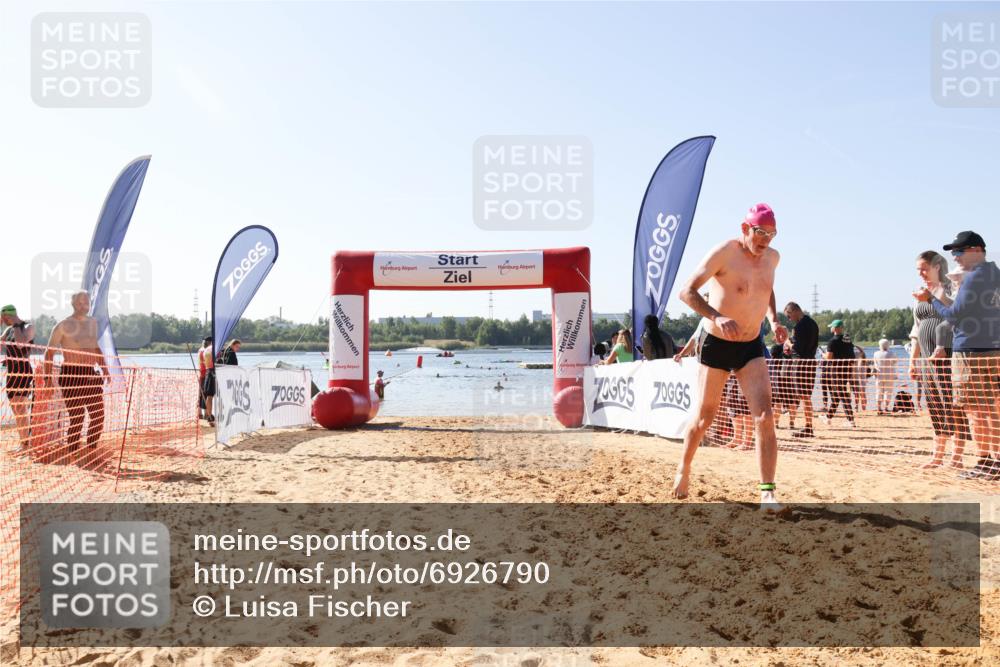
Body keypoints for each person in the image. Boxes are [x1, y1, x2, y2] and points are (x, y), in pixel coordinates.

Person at [671, 203, 788, 512]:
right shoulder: (725, 252)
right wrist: (717, 316)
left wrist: (774, 320)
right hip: (717, 343)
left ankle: (767, 494)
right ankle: (684, 468)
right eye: (760, 233)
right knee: (704, 418)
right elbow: (686, 291)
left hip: (751, 345)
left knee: (765, 416)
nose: (765, 240)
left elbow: (768, 287)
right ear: (745, 229)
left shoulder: (772, 258)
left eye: (772, 234)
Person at [914, 231, 999, 480]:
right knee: (992, 409)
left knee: (975, 411)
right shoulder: (996, 274)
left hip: (971, 350)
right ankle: (996, 462)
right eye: (953, 253)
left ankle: (984, 462)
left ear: (976, 250)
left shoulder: (974, 277)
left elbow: (954, 315)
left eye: (959, 252)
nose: (956, 257)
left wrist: (931, 299)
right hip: (993, 349)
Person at [909, 250, 970, 468]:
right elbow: (916, 331)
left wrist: (932, 297)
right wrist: (912, 361)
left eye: (924, 268)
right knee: (934, 404)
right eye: (918, 270)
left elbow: (956, 313)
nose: (921, 273)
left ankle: (957, 457)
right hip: (926, 358)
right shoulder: (920, 295)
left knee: (952, 404)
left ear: (936, 267)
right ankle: (938, 455)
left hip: (948, 355)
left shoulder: (951, 288)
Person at [42, 292, 109, 456]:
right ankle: (73, 452)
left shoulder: (92, 323)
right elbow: (49, 353)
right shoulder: (63, 325)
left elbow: (95, 348)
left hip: (90, 374)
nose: (84, 306)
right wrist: (47, 379)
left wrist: (105, 368)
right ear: (73, 303)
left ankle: (91, 449)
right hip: (71, 374)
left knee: (98, 415)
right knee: (77, 417)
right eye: (80, 303)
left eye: (86, 302)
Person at [781, 302, 820, 438]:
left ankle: (808, 427)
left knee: (803, 396)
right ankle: (808, 426)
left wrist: (788, 343)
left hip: (801, 364)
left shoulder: (799, 326)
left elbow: (797, 348)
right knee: (806, 396)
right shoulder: (813, 323)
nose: (789, 319)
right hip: (811, 362)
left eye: (789, 315)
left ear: (794, 310)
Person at [1, 305, 35, 450]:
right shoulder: (8, 330)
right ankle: (25, 440)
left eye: (4, 318)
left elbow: (21, 344)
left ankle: (25, 443)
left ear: (9, 316)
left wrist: (15, 324)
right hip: (12, 373)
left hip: (23, 372)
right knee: (16, 409)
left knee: (21, 408)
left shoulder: (28, 327)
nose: (3, 321)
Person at [822, 319, 857, 428]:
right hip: (847, 370)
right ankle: (828, 417)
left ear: (835, 328)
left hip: (836, 372)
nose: (830, 328)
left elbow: (829, 357)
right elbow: (853, 356)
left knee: (842, 395)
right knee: (837, 395)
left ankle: (851, 421)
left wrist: (823, 354)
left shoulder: (832, 341)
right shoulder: (848, 340)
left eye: (831, 327)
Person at [872, 338, 896, 415]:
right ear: (888, 345)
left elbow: (875, 363)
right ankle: (886, 408)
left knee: (879, 391)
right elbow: (895, 362)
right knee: (888, 392)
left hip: (879, 375)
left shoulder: (876, 353)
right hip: (889, 375)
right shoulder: (891, 353)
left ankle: (879, 408)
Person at [197, 336, 211, 420]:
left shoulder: (201, 350)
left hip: (201, 373)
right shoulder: (206, 350)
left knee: (201, 394)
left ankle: (200, 413)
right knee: (206, 394)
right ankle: (206, 413)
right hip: (205, 374)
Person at [202, 340, 216, 425]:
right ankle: (210, 416)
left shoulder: (206, 349)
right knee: (212, 396)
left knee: (209, 396)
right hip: (214, 372)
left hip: (208, 371)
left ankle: (209, 416)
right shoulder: (214, 349)